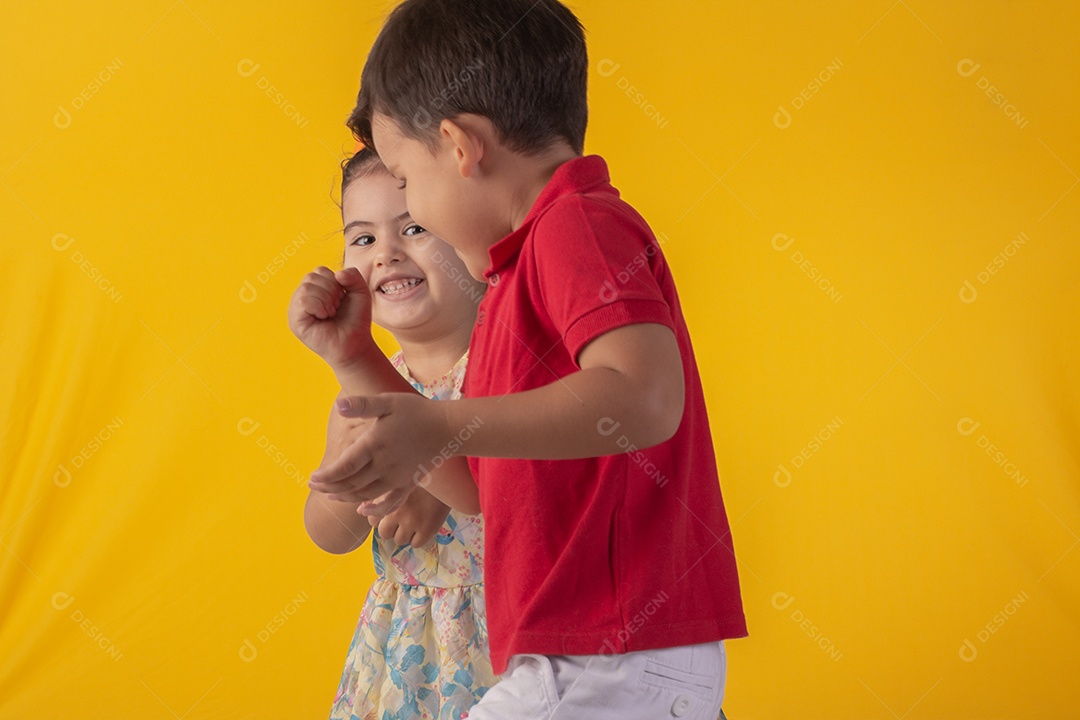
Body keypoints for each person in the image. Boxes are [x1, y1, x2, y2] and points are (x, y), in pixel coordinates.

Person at [309, 1, 749, 717]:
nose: (411, 199)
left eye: (406, 179)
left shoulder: (577, 223)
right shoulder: (519, 277)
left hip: (611, 644)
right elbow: (478, 489)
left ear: (459, 146)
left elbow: (645, 397)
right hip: (587, 651)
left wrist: (441, 425)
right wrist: (363, 361)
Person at [288, 147, 496, 720]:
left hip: (509, 638)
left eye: (414, 227)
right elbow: (331, 534)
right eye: (362, 239)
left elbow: (504, 493)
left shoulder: (504, 366)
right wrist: (351, 490)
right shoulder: (364, 392)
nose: (386, 254)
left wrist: (429, 479)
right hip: (411, 655)